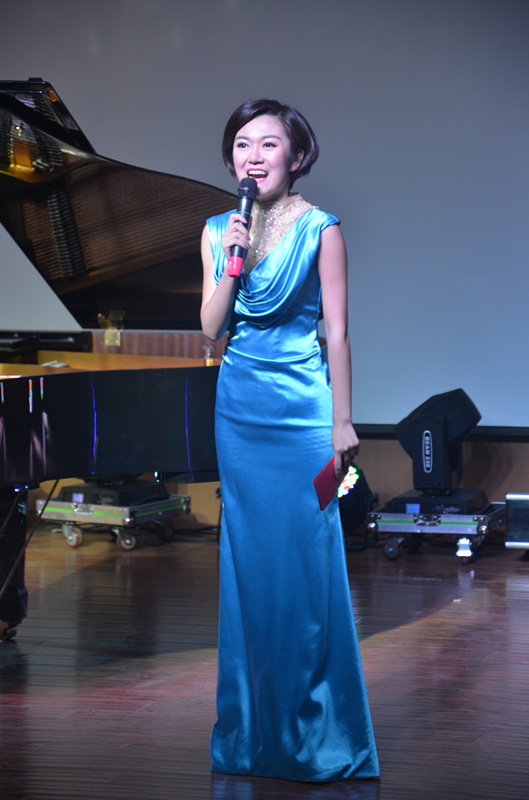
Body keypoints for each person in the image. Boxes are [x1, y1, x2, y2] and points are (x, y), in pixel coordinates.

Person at [201, 99, 379, 783]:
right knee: (247, 566)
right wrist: (233, 257)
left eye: (268, 144)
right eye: (242, 144)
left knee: (308, 564)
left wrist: (343, 420)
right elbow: (210, 327)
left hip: (303, 413)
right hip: (239, 412)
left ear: (296, 156)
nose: (253, 156)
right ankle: (249, 735)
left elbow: (338, 332)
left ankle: (318, 733)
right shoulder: (218, 230)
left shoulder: (321, 229)